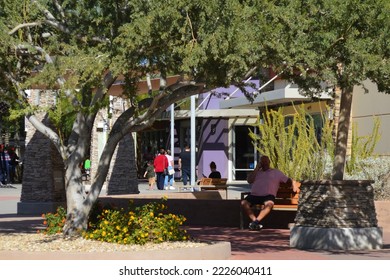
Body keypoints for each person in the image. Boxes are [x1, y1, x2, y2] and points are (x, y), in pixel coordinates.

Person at [241, 155, 299, 230]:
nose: (264, 164)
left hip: (268, 195)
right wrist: (256, 169)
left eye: (266, 162)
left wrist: (294, 184)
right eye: (262, 162)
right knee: (244, 203)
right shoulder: (256, 172)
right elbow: (249, 181)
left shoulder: (276, 172)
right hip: (254, 195)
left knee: (269, 204)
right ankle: (255, 221)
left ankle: (255, 222)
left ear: (269, 162)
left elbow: (289, 179)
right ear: (260, 163)